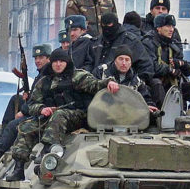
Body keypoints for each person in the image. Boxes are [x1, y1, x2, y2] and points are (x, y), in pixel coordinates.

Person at [7, 48, 119, 181]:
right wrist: (42, 109)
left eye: (61, 61)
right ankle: (19, 168)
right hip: (51, 117)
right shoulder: (44, 82)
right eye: (55, 62)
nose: (58, 64)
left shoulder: (77, 76)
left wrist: (109, 82)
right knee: (26, 127)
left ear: (67, 62)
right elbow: (31, 104)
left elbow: (95, 85)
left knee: (59, 115)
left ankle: (49, 153)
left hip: (77, 116)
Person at [0, 45, 52, 171]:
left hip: (42, 113)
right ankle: (3, 135)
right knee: (16, 99)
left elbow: (44, 100)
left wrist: (24, 110)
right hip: (36, 108)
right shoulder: (41, 74)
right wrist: (28, 96)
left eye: (41, 57)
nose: (37, 61)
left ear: (48, 58)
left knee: (14, 125)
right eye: (36, 58)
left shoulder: (47, 75)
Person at [142, 14, 190, 107]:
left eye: (173, 26)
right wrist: (170, 70)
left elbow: (189, 70)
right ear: (158, 28)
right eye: (168, 26)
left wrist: (181, 64)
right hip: (153, 83)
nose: (171, 29)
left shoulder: (172, 44)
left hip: (171, 82)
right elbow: (151, 66)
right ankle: (161, 116)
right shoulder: (148, 42)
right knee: (156, 84)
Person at [88, 12, 154, 83]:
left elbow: (146, 67)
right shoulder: (97, 41)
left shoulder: (131, 41)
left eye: (109, 25)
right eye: (104, 25)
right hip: (96, 84)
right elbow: (88, 63)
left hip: (124, 86)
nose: (107, 28)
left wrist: (134, 83)